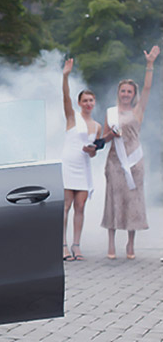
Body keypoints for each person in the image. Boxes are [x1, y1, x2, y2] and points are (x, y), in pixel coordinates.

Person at [101, 45, 159, 260]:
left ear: (133, 95)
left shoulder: (138, 110)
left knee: (132, 200)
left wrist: (149, 64)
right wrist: (111, 135)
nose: (126, 94)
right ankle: (111, 243)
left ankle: (131, 243)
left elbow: (148, 88)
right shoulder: (110, 113)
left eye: (129, 91)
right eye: (123, 91)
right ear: (119, 93)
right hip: (115, 161)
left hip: (134, 161)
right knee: (113, 200)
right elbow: (104, 138)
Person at [60, 58, 101, 261]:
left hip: (84, 167)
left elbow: (95, 152)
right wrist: (66, 76)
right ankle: (63, 245)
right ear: (79, 103)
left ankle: (77, 245)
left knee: (80, 206)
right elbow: (65, 97)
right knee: (65, 206)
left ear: (94, 103)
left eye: (91, 100)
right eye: (85, 100)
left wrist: (91, 150)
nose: (88, 104)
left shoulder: (97, 126)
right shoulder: (72, 117)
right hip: (69, 164)